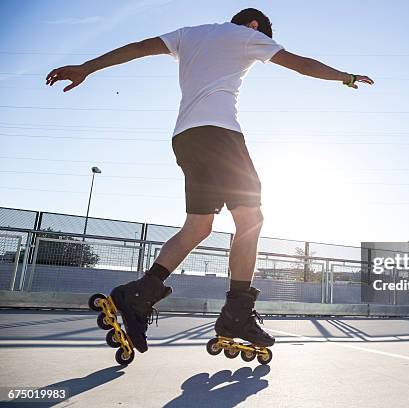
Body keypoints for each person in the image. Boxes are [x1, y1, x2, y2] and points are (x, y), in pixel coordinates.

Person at [46, 8, 373, 354]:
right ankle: (237, 315)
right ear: (254, 25)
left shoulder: (189, 34)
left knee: (199, 225)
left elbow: (138, 47)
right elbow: (301, 64)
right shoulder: (248, 35)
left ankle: (138, 295)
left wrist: (87, 68)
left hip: (185, 138)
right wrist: (346, 77)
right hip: (221, 135)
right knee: (250, 218)